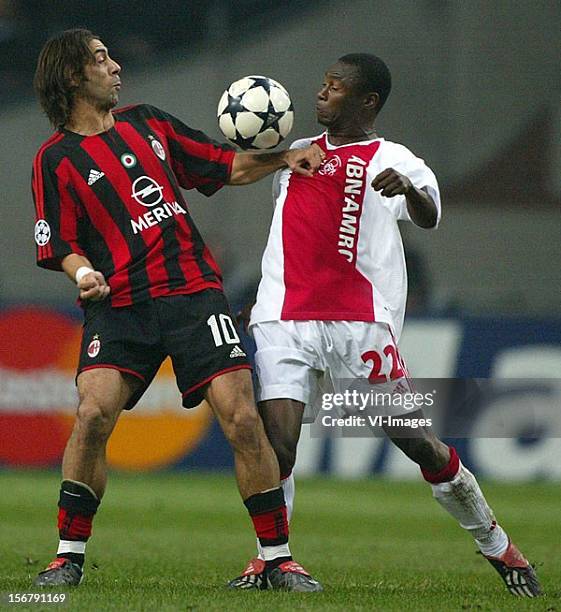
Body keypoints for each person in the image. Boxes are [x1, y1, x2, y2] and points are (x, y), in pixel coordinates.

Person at [228, 53, 542, 598]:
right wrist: (256, 300)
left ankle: (497, 544)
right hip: (286, 316)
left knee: (420, 446)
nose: (321, 94)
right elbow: (286, 231)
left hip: (360, 323)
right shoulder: (297, 154)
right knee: (276, 444)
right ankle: (271, 560)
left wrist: (410, 191)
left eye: (334, 87)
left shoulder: (392, 158)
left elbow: (429, 215)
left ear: (367, 100)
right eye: (322, 85)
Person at [31, 28, 325, 592]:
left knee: (241, 416)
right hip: (120, 305)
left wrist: (286, 156)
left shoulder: (151, 122)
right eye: (101, 59)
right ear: (73, 77)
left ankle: (277, 559)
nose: (115, 65)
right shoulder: (55, 160)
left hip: (194, 292)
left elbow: (224, 165)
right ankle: (67, 556)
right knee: (92, 414)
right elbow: (57, 241)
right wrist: (83, 272)